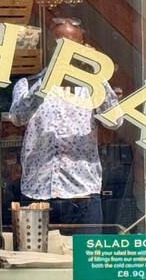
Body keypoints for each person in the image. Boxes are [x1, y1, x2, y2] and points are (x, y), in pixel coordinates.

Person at [9, 18, 122, 232]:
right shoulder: (28, 84)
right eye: (61, 46)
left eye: (73, 47)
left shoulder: (91, 88)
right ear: (50, 47)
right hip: (38, 194)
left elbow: (115, 121)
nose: (67, 53)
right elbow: (17, 117)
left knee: (86, 254)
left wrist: (96, 75)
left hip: (83, 195)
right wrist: (49, 79)